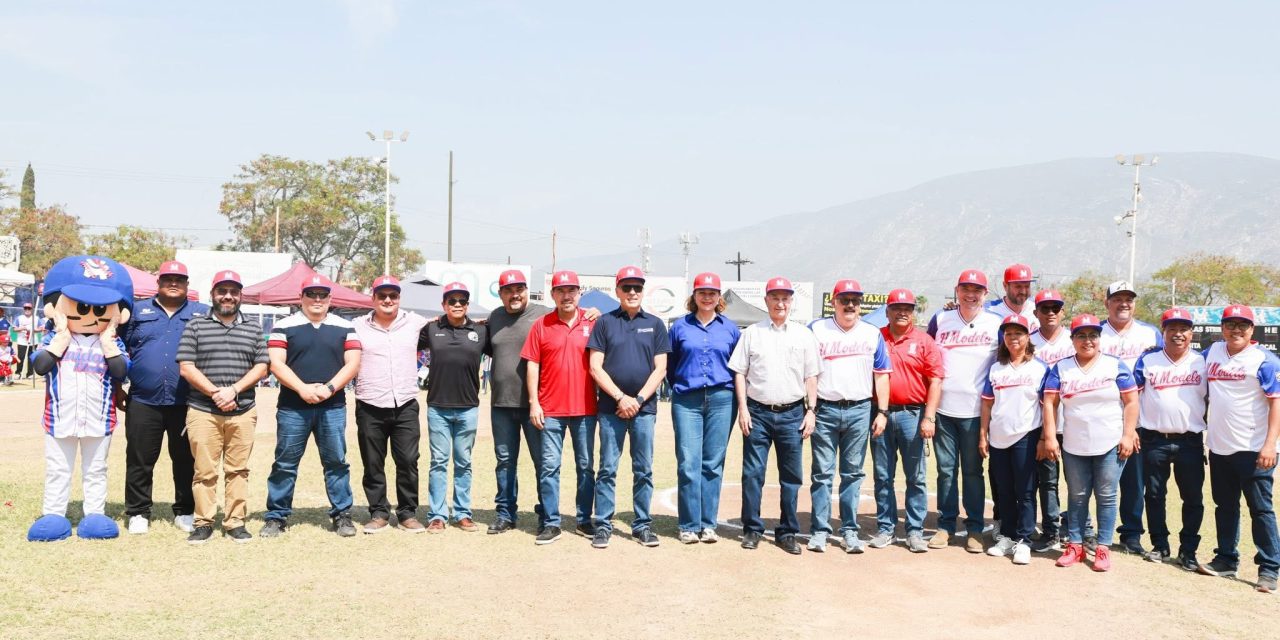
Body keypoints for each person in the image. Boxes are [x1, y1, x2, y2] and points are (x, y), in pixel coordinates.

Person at [26, 255, 133, 542]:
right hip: (59, 416)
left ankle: (95, 513)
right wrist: (61, 336)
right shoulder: (54, 337)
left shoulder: (113, 341)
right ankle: (54, 513)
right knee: (58, 469)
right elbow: (40, 366)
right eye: (81, 306)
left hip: (99, 418)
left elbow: (121, 371)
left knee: (96, 469)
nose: (89, 314)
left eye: (99, 308)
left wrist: (109, 341)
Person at [261, 274, 362, 538]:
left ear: (330, 298)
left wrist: (329, 388)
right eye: (311, 294)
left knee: (336, 462)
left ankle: (342, 515)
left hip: (333, 405)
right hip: (293, 406)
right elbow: (276, 364)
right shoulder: (284, 326)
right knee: (285, 462)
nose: (317, 300)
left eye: (322, 295)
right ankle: (276, 516)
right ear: (301, 298)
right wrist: (302, 388)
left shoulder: (345, 327)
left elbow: (352, 364)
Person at [175, 270, 269, 544]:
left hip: (243, 410)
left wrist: (234, 390)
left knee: (237, 470)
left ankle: (235, 522)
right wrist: (216, 393)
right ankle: (203, 522)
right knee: (204, 471)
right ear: (212, 294)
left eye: (233, 291)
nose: (228, 296)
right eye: (222, 291)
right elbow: (186, 367)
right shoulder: (195, 326)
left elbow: (262, 366)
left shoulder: (253, 327)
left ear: (240, 296)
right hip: (203, 411)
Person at [730, 276, 820, 556]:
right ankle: (752, 529)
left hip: (793, 413)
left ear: (791, 302)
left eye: (785, 298)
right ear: (766, 300)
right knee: (753, 474)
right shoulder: (752, 333)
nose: (780, 303)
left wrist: (811, 411)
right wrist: (743, 409)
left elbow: (811, 376)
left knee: (791, 476)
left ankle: (787, 531)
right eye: (775, 298)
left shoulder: (803, 334)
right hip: (757, 412)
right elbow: (739, 373)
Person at [119, 260, 210, 535]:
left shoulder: (202, 313)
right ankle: (137, 512)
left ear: (187, 284)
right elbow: (117, 349)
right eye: (168, 278)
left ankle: (184, 510)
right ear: (158, 282)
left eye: (179, 279)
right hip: (143, 400)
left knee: (185, 459)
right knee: (139, 458)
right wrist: (115, 387)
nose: (173, 283)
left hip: (187, 401)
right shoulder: (136, 311)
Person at [1043, 313, 1139, 573]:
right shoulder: (1061, 367)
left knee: (1107, 496)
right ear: (1072, 339)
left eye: (1093, 335)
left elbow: (1131, 401)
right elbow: (1050, 403)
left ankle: (1103, 547)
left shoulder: (1114, 365)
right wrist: (1050, 437)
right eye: (1081, 336)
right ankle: (1075, 544)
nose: (1088, 340)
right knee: (1077, 496)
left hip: (1109, 442)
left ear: (1100, 338)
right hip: (1074, 444)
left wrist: (1128, 435)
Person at [588, 266, 670, 549]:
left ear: (643, 291)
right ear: (617, 290)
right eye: (627, 287)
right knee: (608, 468)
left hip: (644, 410)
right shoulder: (605, 323)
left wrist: (637, 400)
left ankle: (642, 525)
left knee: (643, 468)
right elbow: (595, 366)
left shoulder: (656, 324)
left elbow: (661, 369)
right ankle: (603, 525)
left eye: (637, 287)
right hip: (611, 408)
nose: (632, 292)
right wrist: (621, 397)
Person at [1200, 304, 1280, 594]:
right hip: (1220, 446)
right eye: (1231, 324)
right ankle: (1226, 558)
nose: (1236, 330)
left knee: (1261, 510)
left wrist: (1270, 444)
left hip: (1255, 448)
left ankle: (1269, 568)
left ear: (1252, 329)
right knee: (1225, 506)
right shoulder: (1211, 353)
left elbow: (1276, 404)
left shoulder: (1264, 360)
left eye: (1243, 325)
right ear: (1222, 327)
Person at [806, 278, 890, 553]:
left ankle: (850, 530)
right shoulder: (817, 329)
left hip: (859, 409)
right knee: (822, 473)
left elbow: (881, 376)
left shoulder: (871, 332)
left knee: (853, 473)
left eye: (855, 300)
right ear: (834, 302)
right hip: (825, 408)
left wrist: (882, 412)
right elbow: (808, 372)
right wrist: (810, 408)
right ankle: (819, 530)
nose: (850, 305)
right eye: (845, 300)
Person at [521, 270, 598, 545]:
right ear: (553, 295)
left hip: (586, 409)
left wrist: (599, 314)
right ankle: (551, 522)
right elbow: (532, 364)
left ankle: (583, 520)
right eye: (561, 291)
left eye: (572, 290)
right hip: (550, 409)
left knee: (586, 466)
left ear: (579, 293)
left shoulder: (594, 322)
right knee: (549, 467)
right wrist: (534, 402)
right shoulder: (541, 325)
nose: (567, 296)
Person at [927, 269, 1001, 552]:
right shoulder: (941, 319)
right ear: (956, 290)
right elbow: (929, 359)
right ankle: (945, 526)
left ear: (985, 294)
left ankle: (974, 529)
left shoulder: (995, 322)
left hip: (976, 412)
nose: (971, 294)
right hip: (944, 410)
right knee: (946, 471)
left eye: (977, 290)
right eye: (965, 289)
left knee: (972, 471)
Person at [351, 275, 429, 534]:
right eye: (382, 295)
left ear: (399, 298)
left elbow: (446, 324)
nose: (387, 300)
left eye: (393, 295)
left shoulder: (415, 322)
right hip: (370, 402)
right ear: (372, 298)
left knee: (408, 460)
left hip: (405, 402)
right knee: (373, 461)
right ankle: (379, 512)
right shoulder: (356, 326)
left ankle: (407, 512)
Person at [1131, 307, 1206, 571]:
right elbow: (1132, 397)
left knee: (1193, 498)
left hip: (1191, 441)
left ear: (1191, 333)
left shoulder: (1203, 362)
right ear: (1163, 332)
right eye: (1172, 329)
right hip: (1155, 439)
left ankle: (1188, 550)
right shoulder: (1148, 360)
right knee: (1153, 495)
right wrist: (1130, 430)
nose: (1177, 334)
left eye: (1183, 329)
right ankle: (1160, 545)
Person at [668, 272, 740, 544]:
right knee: (688, 462)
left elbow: (737, 366)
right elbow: (671, 367)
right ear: (693, 296)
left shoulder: (730, 329)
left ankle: (708, 524)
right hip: (687, 399)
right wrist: (684, 384)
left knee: (713, 463)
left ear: (719, 297)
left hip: (723, 399)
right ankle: (688, 525)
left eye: (712, 293)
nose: (707, 297)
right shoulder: (679, 327)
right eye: (702, 292)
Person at [871, 289, 943, 553]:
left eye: (908, 308)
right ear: (887, 310)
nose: (903, 312)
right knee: (882, 475)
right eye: (897, 307)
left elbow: (935, 379)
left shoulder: (924, 341)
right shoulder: (876, 337)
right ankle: (885, 528)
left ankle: (914, 531)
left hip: (913, 414)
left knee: (916, 477)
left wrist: (929, 417)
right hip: (880, 413)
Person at [1099, 280, 1163, 555]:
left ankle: (1131, 532)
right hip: (1098, 415)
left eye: (1129, 299)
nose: (1123, 303)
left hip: (1135, 416)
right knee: (1092, 478)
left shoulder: (1149, 333)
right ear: (1107, 303)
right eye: (1117, 298)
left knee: (1133, 481)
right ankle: (1089, 529)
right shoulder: (1094, 332)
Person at [419, 282, 489, 533]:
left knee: (464, 463)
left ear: (468, 305)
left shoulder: (481, 331)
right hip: (437, 406)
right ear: (444, 305)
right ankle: (437, 515)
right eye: (452, 301)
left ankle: (462, 513)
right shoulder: (431, 328)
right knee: (438, 462)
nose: (457, 305)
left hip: (468, 408)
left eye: (462, 301)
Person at [979, 314, 1048, 565]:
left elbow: (1048, 406)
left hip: (1026, 436)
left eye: (1018, 333)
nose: (1013, 338)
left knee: (1026, 491)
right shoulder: (996, 368)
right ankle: (1007, 536)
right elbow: (987, 405)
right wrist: (983, 435)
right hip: (998, 438)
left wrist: (1043, 438)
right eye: (1008, 334)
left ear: (1028, 337)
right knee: (1005, 491)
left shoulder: (1039, 368)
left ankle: (1024, 540)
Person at [485, 269, 549, 535]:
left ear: (526, 290)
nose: (515, 294)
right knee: (504, 461)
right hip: (501, 404)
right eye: (509, 290)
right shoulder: (495, 317)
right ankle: (505, 514)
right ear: (500, 293)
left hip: (535, 404)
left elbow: (575, 317)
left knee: (543, 461)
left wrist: (591, 311)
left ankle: (547, 512)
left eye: (519, 288)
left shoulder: (543, 314)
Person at [1029, 289, 1075, 552]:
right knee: (1047, 481)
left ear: (1062, 312)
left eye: (1055, 308)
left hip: (1072, 423)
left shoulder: (1074, 339)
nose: (1050, 313)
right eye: (1044, 309)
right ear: (1035, 313)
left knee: (1077, 482)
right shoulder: (1029, 341)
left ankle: (1077, 528)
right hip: (1041, 423)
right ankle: (1051, 530)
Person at [987, 264, 1040, 333]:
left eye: (1027, 286)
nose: (1023, 291)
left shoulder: (1039, 308)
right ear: (1005, 286)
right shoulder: (989, 310)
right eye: (1018, 286)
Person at [15, 301, 41, 379]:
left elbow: (41, 328)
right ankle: (18, 373)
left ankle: (30, 374)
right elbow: (15, 329)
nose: (27, 309)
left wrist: (35, 330)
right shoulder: (19, 318)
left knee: (31, 358)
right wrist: (22, 328)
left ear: (32, 309)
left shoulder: (36, 318)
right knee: (21, 357)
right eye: (25, 308)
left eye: (29, 308)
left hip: (33, 341)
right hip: (22, 341)